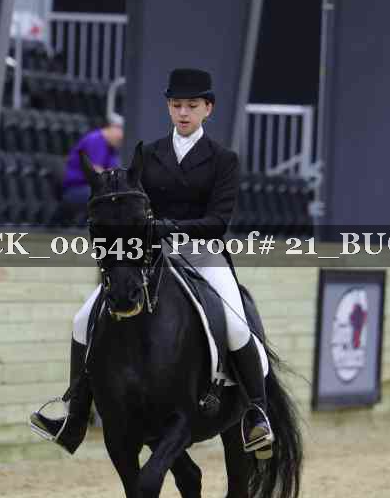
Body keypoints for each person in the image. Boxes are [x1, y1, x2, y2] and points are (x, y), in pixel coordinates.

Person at [30, 68, 274, 456]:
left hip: (202, 253)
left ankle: (256, 414)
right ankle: (75, 416)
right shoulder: (149, 155)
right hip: (150, 254)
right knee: (82, 319)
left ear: (207, 109)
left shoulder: (223, 159)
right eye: (177, 105)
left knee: (236, 324)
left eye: (191, 106)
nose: (183, 112)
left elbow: (218, 221)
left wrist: (166, 227)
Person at [59, 114, 125, 224]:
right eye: (120, 130)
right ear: (112, 127)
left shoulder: (112, 148)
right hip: (76, 189)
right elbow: (96, 172)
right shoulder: (95, 139)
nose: (122, 136)